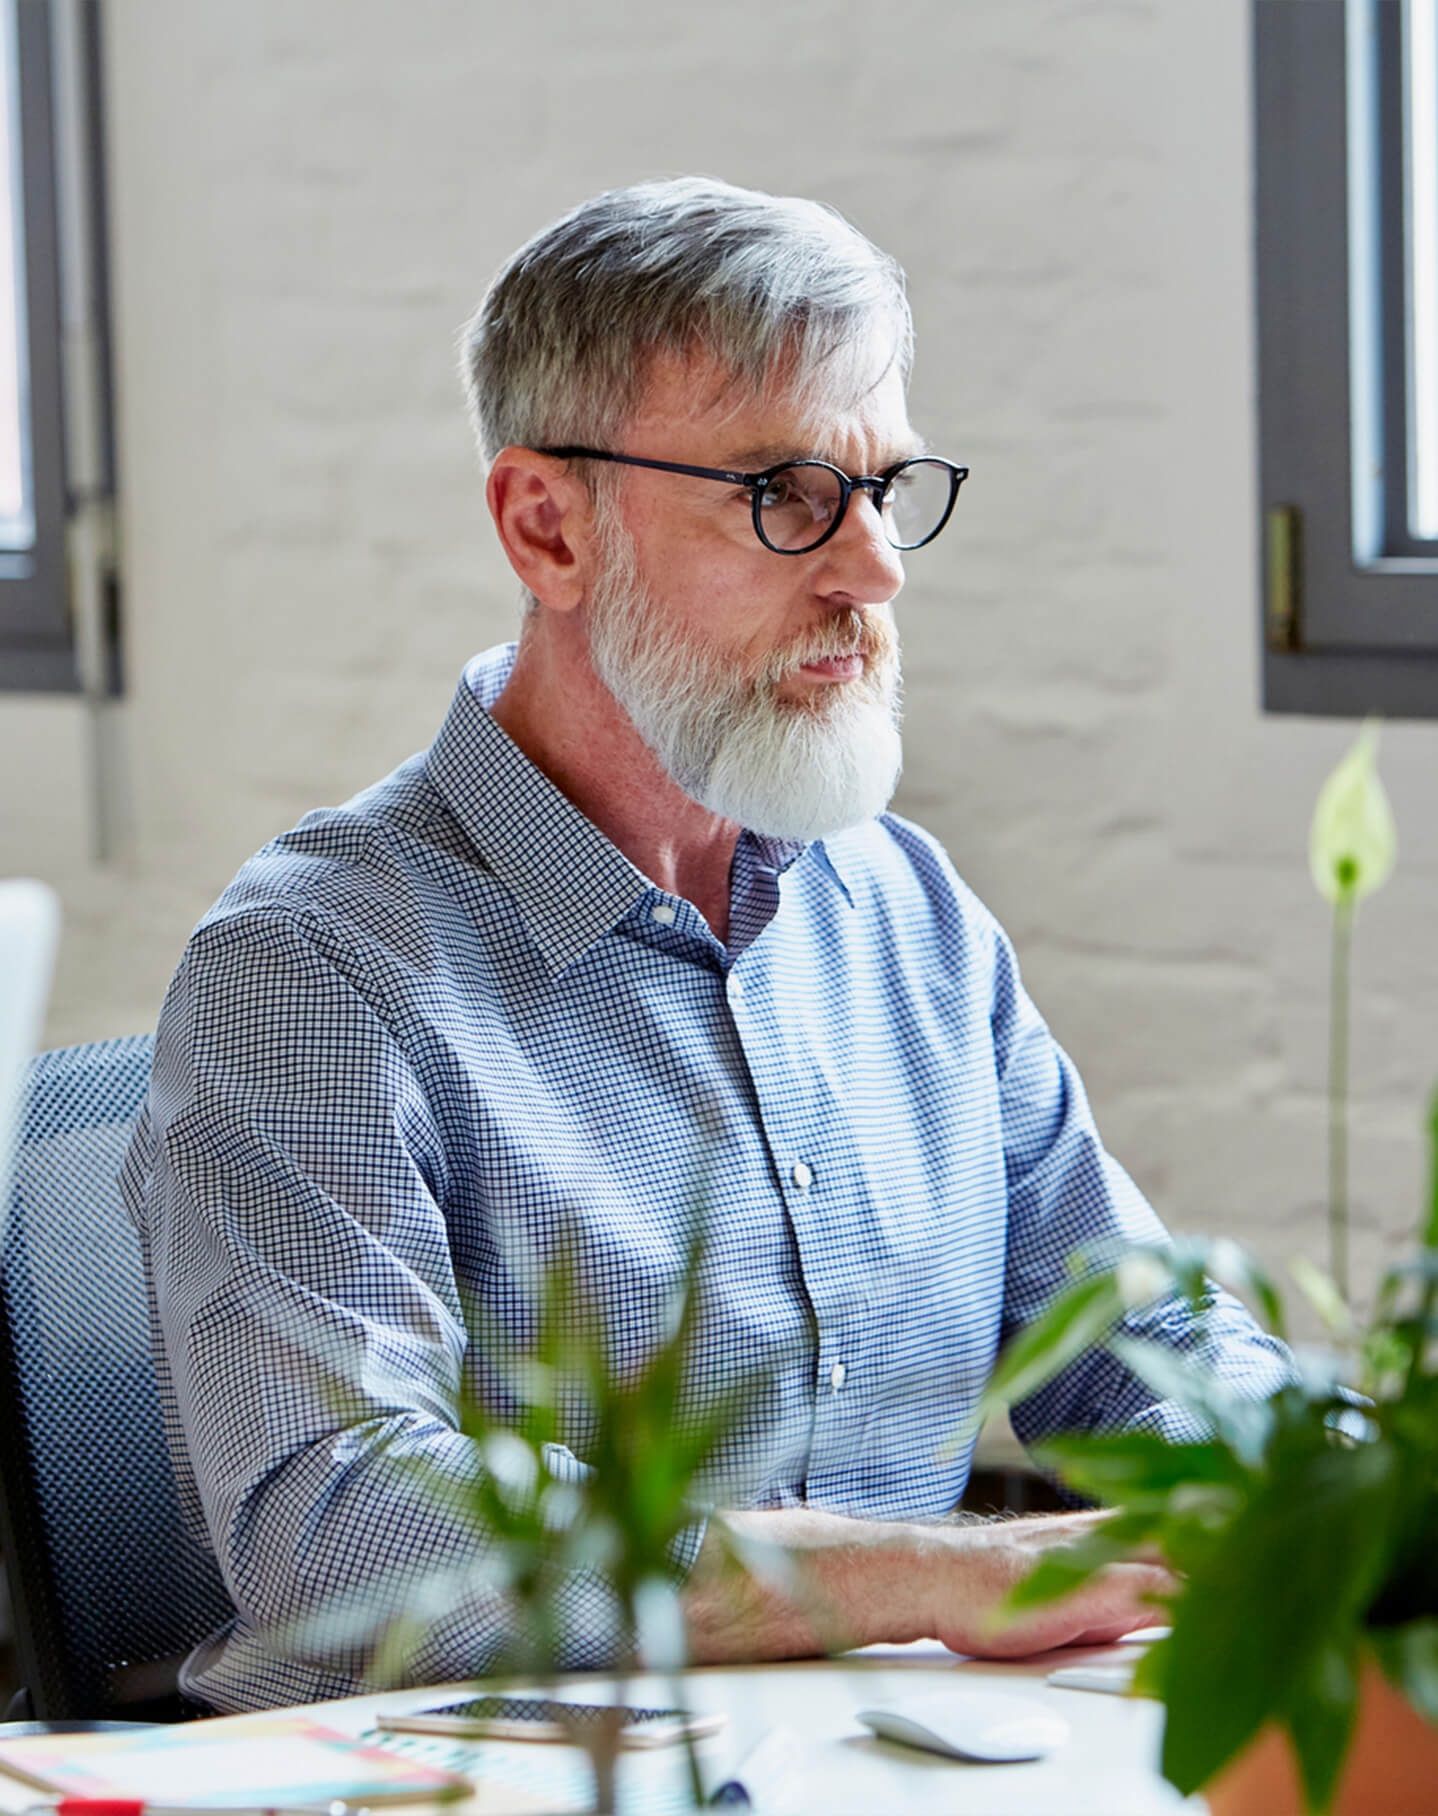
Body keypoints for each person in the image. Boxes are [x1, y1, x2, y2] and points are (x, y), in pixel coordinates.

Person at [123, 177, 1289, 1714]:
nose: (869, 569)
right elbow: (340, 1538)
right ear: (548, 526)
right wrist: (914, 1578)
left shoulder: (905, 909)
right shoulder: (312, 970)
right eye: (784, 494)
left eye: (884, 489)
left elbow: (1139, 1333)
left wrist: (1346, 1489)